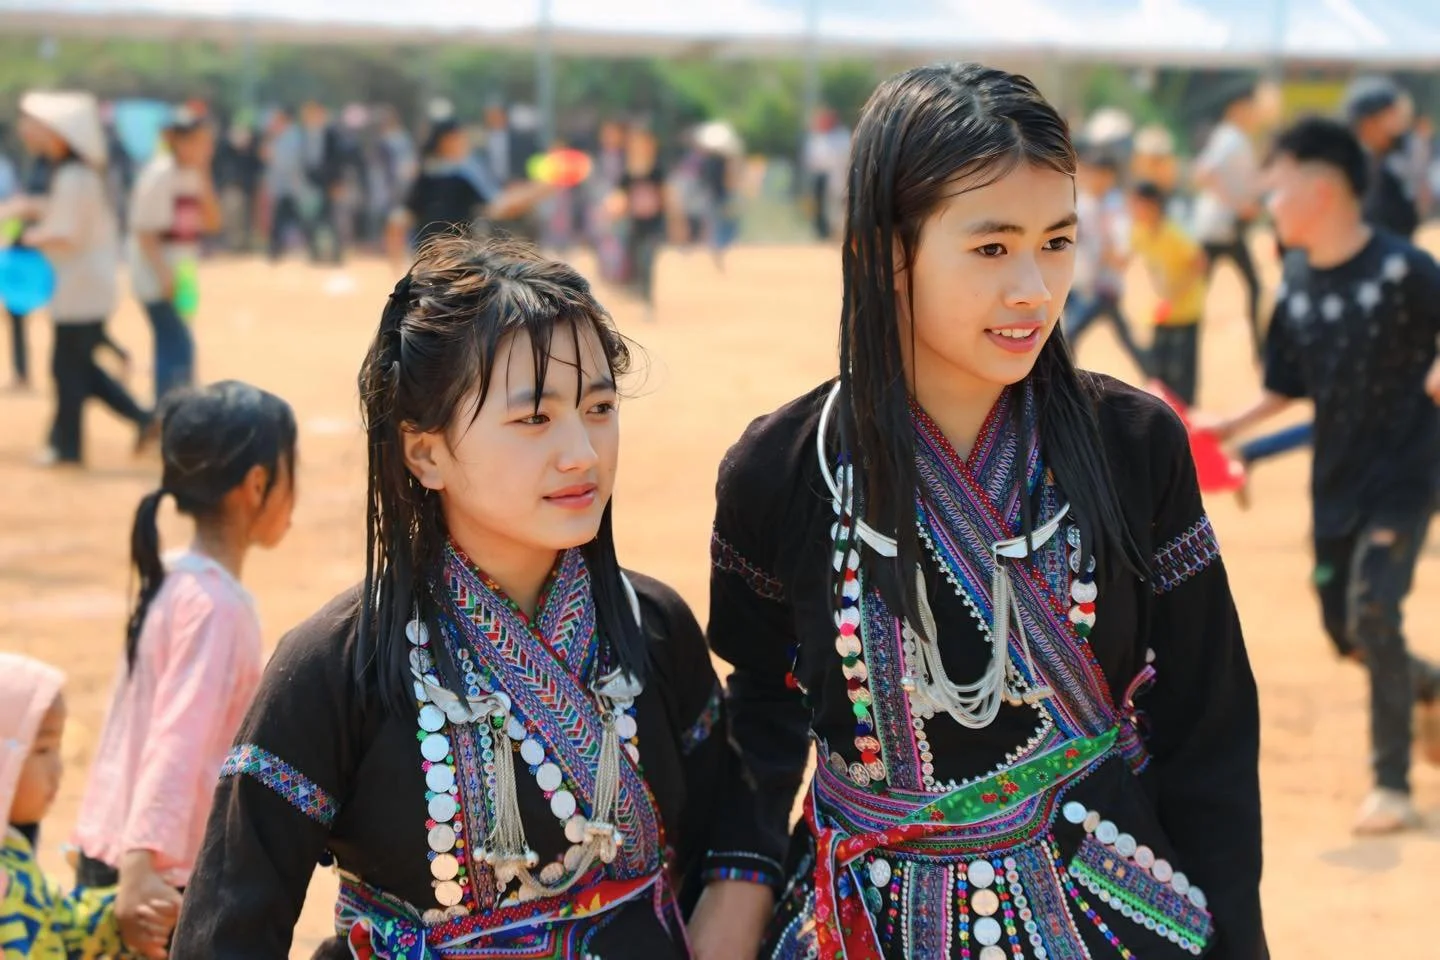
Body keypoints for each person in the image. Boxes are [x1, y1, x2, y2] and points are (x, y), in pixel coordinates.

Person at [708, 63, 1266, 960]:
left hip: (1110, 915)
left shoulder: (1132, 444)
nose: (1034, 291)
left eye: (1057, 241)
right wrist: (738, 882)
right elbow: (765, 703)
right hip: (865, 922)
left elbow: (1208, 727)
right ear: (884, 251)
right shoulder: (781, 471)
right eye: (992, 247)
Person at [171, 236, 773, 958]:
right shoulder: (334, 669)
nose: (582, 451)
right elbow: (226, 932)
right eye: (534, 418)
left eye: (601, 406)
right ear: (425, 452)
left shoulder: (655, 629)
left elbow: (729, 829)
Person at [1203, 117, 1440, 834]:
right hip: (1334, 484)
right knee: (1345, 630)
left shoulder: (1405, 270)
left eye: (1275, 191)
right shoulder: (1296, 282)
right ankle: (1427, 689)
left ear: (1321, 189)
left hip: (1405, 472)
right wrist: (1230, 427)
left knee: (1376, 608)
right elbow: (1289, 384)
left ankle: (1390, 782)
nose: (1266, 206)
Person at [69, 380, 297, 934]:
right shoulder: (218, 608)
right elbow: (178, 737)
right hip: (154, 879)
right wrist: (142, 865)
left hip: (112, 849)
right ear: (258, 484)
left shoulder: (174, 575)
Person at [1, 653, 179, 959]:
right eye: (42, 750)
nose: (58, 769)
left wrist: (117, 917)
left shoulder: (15, 856)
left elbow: (62, 929)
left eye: (57, 750)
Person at [13, 91, 150, 466]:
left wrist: (28, 237)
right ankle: (139, 421)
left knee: (70, 370)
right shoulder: (77, 175)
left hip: (82, 289)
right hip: (81, 288)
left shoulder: (74, 177)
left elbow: (68, 232)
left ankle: (71, 445)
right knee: (77, 370)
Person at [127, 107, 221, 407]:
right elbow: (145, 232)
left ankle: (172, 410)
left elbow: (212, 222)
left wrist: (204, 174)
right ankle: (170, 412)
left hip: (184, 271)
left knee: (176, 342)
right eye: (200, 142)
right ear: (180, 142)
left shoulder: (192, 175)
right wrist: (163, 275)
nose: (206, 149)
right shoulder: (159, 174)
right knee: (177, 346)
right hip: (158, 274)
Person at [1192, 81, 1264, 357]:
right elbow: (1204, 173)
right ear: (1238, 108)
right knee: (1201, 292)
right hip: (1217, 227)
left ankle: (1258, 351)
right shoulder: (1230, 137)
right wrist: (1238, 205)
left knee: (1206, 291)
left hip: (1224, 228)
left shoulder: (1235, 137)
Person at [1064, 147, 1147, 374]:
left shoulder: (1115, 206)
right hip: (1080, 284)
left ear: (1109, 176)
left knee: (1069, 336)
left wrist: (1110, 253)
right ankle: (1156, 374)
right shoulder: (1083, 202)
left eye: (1096, 173)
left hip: (1103, 287)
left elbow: (1122, 254)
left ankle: (1158, 378)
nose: (1089, 177)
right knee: (1125, 340)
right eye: (1087, 172)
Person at [1130, 180, 1209, 406]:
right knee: (1159, 373)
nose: (1134, 209)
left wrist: (1176, 292)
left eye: (1138, 204)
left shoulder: (1173, 233)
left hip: (1186, 312)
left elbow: (1200, 261)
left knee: (1184, 377)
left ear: (1153, 205)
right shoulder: (1140, 231)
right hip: (1160, 312)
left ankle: (1188, 428)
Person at [1345, 77, 1420, 240]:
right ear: (1368, 123)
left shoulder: (1390, 167)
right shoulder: (1348, 173)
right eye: (1391, 115)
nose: (1399, 124)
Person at [614, 126, 673, 323]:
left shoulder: (656, 171)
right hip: (634, 224)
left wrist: (675, 222)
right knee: (635, 260)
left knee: (648, 258)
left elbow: (666, 197)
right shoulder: (628, 173)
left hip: (654, 223)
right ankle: (636, 289)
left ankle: (648, 300)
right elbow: (620, 199)